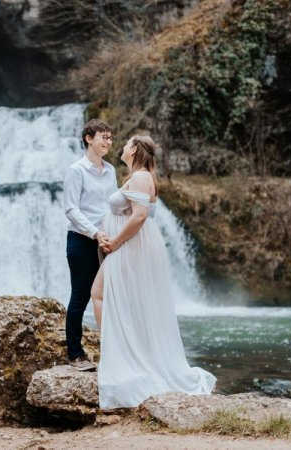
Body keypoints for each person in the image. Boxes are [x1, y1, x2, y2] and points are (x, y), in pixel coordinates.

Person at [92, 135, 216, 408]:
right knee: (118, 299)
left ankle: (116, 355)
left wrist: (115, 241)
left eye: (125, 144)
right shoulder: (140, 176)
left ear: (134, 149)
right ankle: (123, 353)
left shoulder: (139, 178)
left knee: (99, 294)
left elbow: (139, 216)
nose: (121, 147)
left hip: (129, 246)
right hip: (135, 246)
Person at [63, 119, 117, 371]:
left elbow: (113, 206)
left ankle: (114, 351)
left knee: (112, 296)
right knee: (81, 296)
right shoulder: (77, 170)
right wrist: (95, 233)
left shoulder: (111, 170)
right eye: (103, 136)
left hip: (107, 241)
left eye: (110, 137)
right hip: (82, 241)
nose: (108, 141)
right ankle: (75, 354)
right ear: (89, 138)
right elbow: (71, 209)